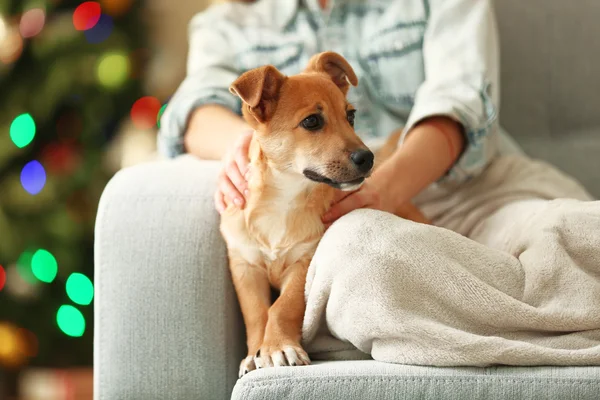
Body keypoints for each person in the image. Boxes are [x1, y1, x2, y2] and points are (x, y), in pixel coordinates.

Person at [158, 0, 599, 364]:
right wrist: (253, 145)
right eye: (314, 121)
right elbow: (193, 108)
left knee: (575, 234)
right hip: (349, 212)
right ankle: (547, 326)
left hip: (473, 187)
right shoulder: (228, 21)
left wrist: (384, 187)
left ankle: (486, 324)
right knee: (371, 258)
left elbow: (461, 99)